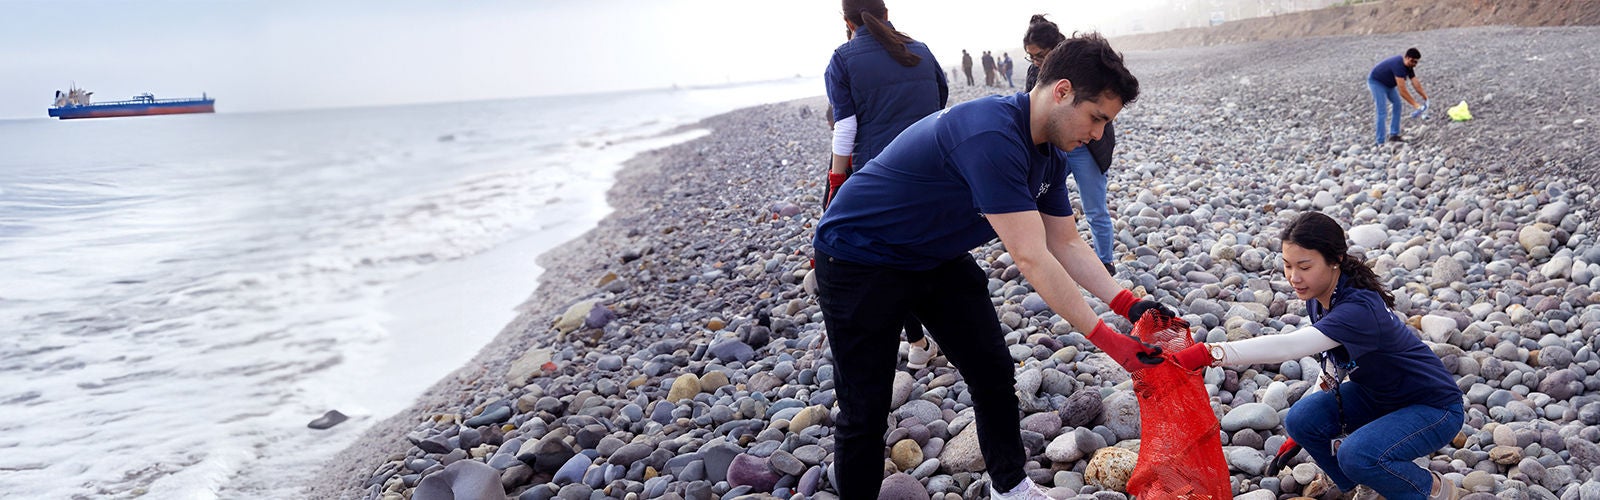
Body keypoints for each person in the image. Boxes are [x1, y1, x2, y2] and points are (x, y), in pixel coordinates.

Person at [814, 32, 1169, 499]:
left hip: (934, 256)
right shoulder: (992, 133)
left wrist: (1129, 305)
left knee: (993, 372)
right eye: (1096, 118)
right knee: (866, 408)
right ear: (1061, 91)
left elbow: (1065, 241)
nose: (1099, 134)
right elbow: (1031, 255)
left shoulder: (1049, 154)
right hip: (858, 256)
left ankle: (1011, 486)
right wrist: (1110, 343)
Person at [1170, 211, 1464, 499]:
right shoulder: (1321, 296)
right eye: (1287, 265)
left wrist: (1209, 353)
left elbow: (1289, 346)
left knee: (1355, 453)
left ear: (1335, 260)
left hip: (1432, 408)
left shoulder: (1358, 308)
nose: (1294, 277)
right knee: (1301, 418)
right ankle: (1370, 484)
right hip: (1379, 396)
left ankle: (1431, 489)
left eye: (1305, 266)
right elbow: (1334, 363)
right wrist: (1305, 429)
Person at [823, 0, 950, 371]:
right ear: (886, 14)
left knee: (890, 260)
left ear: (846, 21)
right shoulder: (922, 51)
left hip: (881, 176)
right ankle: (958, 341)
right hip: (935, 167)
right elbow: (941, 105)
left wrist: (836, 182)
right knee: (940, 254)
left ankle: (917, 343)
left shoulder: (843, 58)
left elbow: (845, 128)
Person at [1025, 15, 1119, 276]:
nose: (1035, 61)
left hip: (1086, 150)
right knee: (1040, 204)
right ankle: (1049, 264)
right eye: (1030, 57)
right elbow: (1031, 111)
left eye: (1039, 55)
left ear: (1055, 46)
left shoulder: (1086, 65)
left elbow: (1103, 110)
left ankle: (1105, 262)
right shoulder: (1036, 72)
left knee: (1095, 207)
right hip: (1053, 148)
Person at [1367, 48, 1429, 144]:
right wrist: (1416, 105)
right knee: (1382, 111)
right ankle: (1380, 141)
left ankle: (1394, 135)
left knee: (1398, 104)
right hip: (1376, 83)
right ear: (1407, 57)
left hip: (1389, 85)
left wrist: (1425, 97)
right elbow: (1402, 91)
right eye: (1412, 61)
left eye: (1416, 62)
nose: (1414, 64)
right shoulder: (1398, 66)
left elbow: (1415, 83)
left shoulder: (1409, 67)